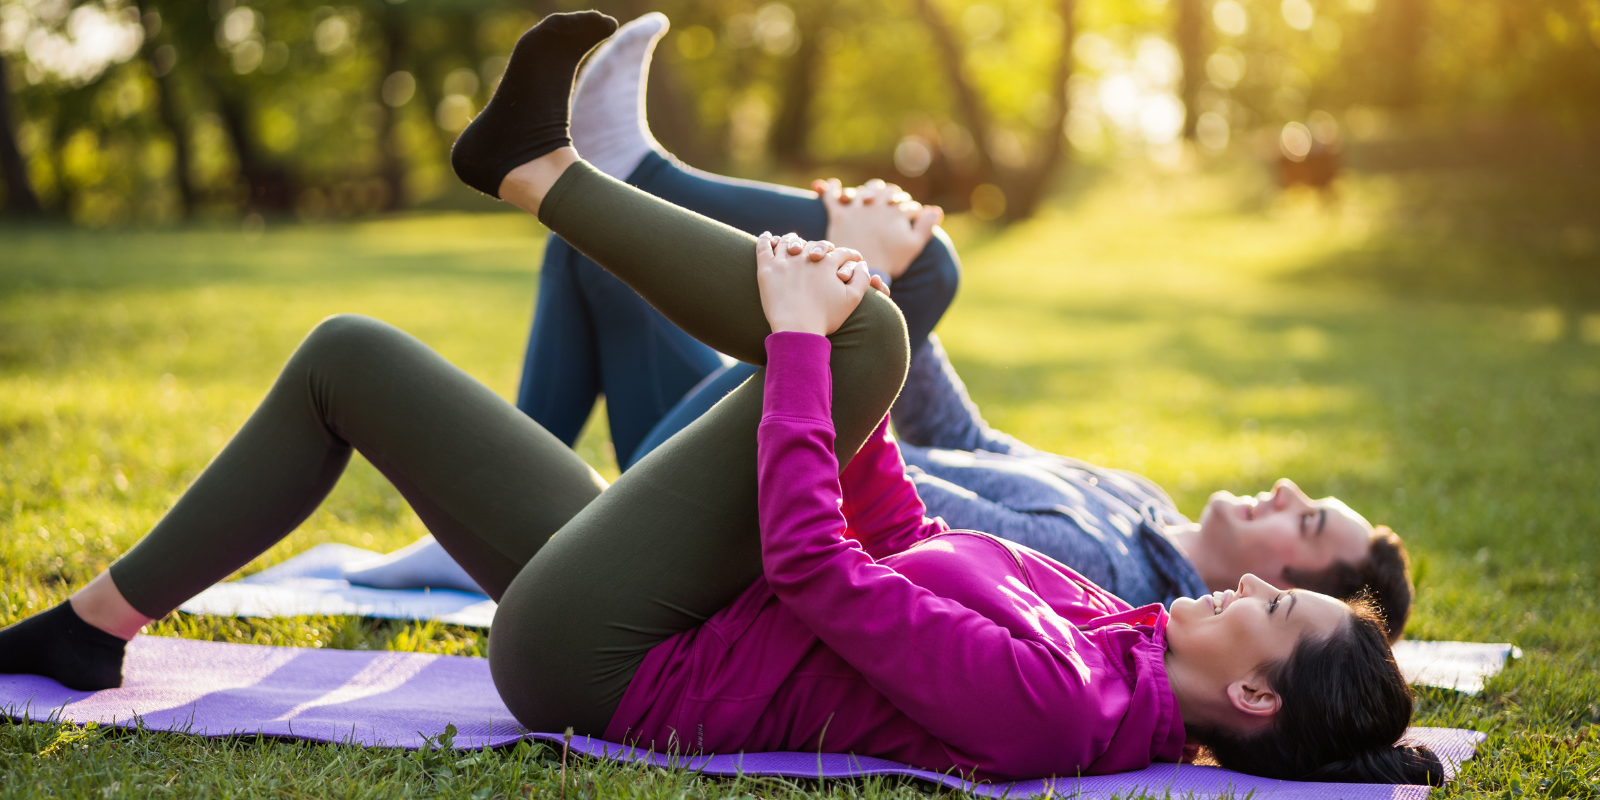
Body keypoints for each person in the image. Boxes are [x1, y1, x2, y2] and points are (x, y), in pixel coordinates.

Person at [0, 12, 1440, 784]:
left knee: (866, 339)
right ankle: (91, 627)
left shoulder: (1057, 707)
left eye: (1272, 603)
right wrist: (832, 389)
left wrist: (811, 356)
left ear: (1252, 691)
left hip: (609, 662)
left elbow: (818, 572)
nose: (1247, 587)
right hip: (669, 602)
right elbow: (894, 532)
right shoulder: (1116, 640)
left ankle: (542, 170)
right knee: (350, 356)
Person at [346, 13, 1414, 639]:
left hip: (729, 498)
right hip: (734, 459)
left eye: (1307, 521)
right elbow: (963, 437)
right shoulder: (1139, 507)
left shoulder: (1117, 578)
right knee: (592, 244)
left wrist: (871, 282)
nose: (1286, 489)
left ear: (1278, 592)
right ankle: (478, 520)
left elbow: (885, 509)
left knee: (929, 266)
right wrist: (877, 284)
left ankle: (636, 167)